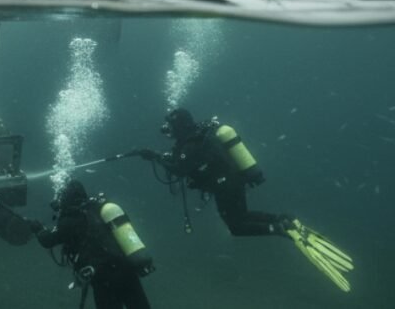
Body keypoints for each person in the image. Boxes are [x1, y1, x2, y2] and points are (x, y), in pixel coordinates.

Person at [137, 108, 353, 291]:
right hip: (233, 180)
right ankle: (286, 220)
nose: (169, 132)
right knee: (243, 216)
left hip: (224, 185)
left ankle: (282, 229)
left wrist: (154, 157)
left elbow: (180, 169)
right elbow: (185, 160)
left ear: (179, 126)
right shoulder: (199, 136)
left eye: (171, 128)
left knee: (236, 226)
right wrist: (165, 156)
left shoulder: (190, 143)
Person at [30, 180, 154, 309]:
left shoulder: (69, 221)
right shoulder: (99, 209)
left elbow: (48, 240)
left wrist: (38, 229)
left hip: (103, 279)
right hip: (127, 271)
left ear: (65, 198)